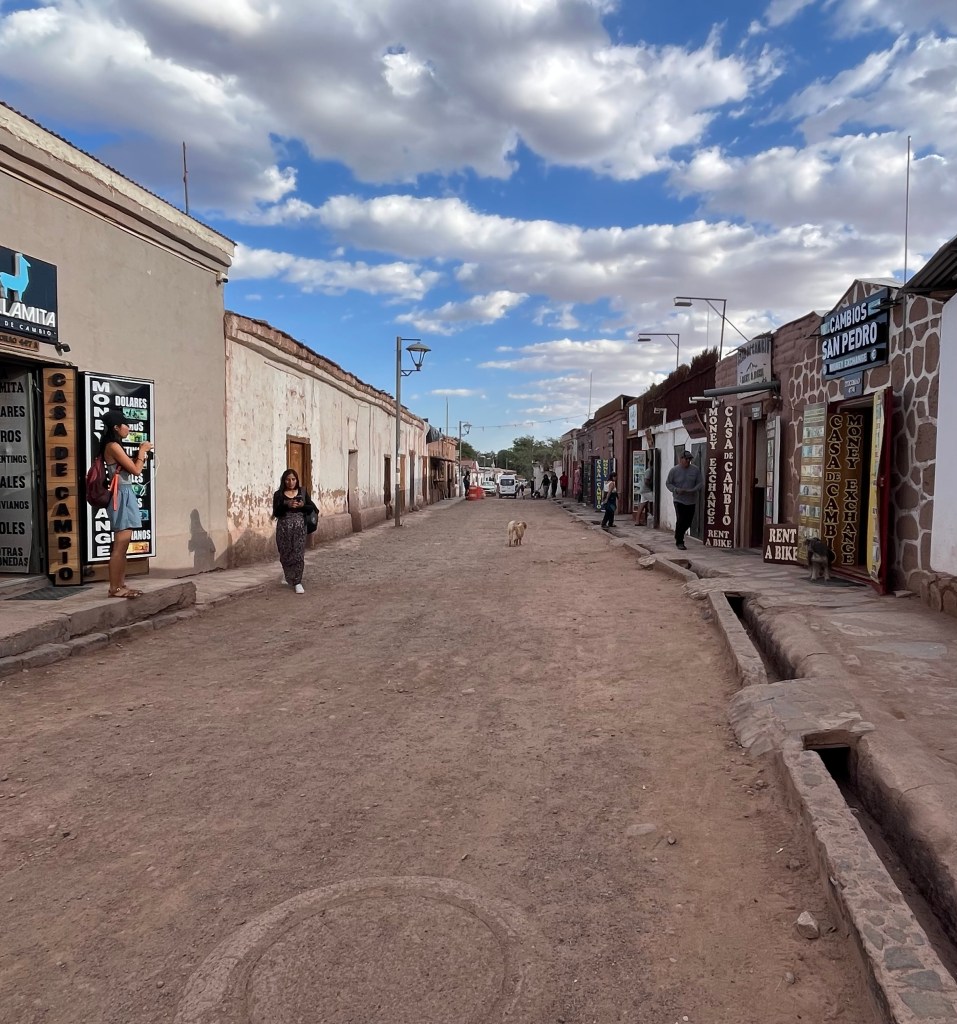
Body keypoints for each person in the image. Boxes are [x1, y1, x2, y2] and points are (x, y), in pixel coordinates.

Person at [100, 410, 153, 599]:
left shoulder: (115, 445)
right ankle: (114, 588)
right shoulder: (113, 446)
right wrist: (142, 451)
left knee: (123, 546)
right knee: (120, 546)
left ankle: (121, 585)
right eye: (125, 425)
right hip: (120, 495)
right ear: (116, 427)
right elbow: (136, 471)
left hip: (125, 493)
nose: (128, 428)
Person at [272, 468, 316, 593]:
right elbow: (276, 512)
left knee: (298, 553)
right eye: (287, 480)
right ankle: (289, 575)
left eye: (293, 479)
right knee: (285, 553)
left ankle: (297, 581)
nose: (290, 482)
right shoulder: (278, 494)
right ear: (284, 481)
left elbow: (312, 508)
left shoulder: (302, 492)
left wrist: (302, 506)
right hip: (284, 528)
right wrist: (287, 505)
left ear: (296, 480)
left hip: (299, 528)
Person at [666, 451, 703, 550]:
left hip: (691, 500)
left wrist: (693, 490)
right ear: (680, 459)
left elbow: (700, 483)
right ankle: (679, 541)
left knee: (688, 522)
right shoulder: (674, 470)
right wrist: (676, 490)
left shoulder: (695, 470)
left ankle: (679, 533)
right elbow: (668, 483)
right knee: (681, 520)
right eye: (686, 459)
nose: (688, 461)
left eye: (689, 459)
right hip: (679, 499)